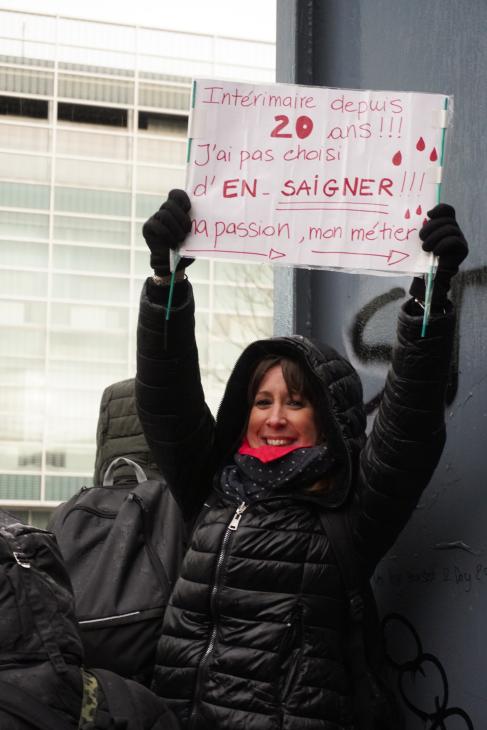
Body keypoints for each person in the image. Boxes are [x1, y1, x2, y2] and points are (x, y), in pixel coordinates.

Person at [135, 190, 468, 730]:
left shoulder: (349, 507)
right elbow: (167, 399)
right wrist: (165, 281)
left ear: (328, 419)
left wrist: (430, 294)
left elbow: (409, 425)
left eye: (295, 401)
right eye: (262, 402)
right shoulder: (214, 487)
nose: (274, 417)